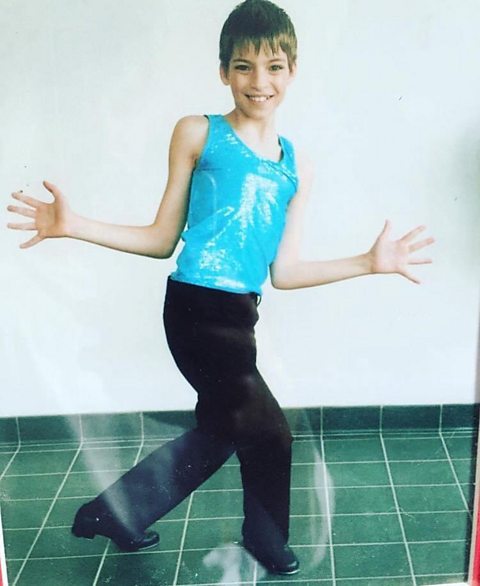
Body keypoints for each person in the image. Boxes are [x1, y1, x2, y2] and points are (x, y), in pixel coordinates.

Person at [6, 0, 434, 576]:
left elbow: (284, 273)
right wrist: (72, 225)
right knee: (271, 433)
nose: (259, 82)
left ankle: (114, 513)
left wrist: (367, 260)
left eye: (274, 66)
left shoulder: (294, 165)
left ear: (293, 71)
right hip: (194, 309)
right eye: (243, 67)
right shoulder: (198, 132)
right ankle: (263, 538)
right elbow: (162, 238)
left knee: (221, 429)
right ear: (223, 71)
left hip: (242, 315)